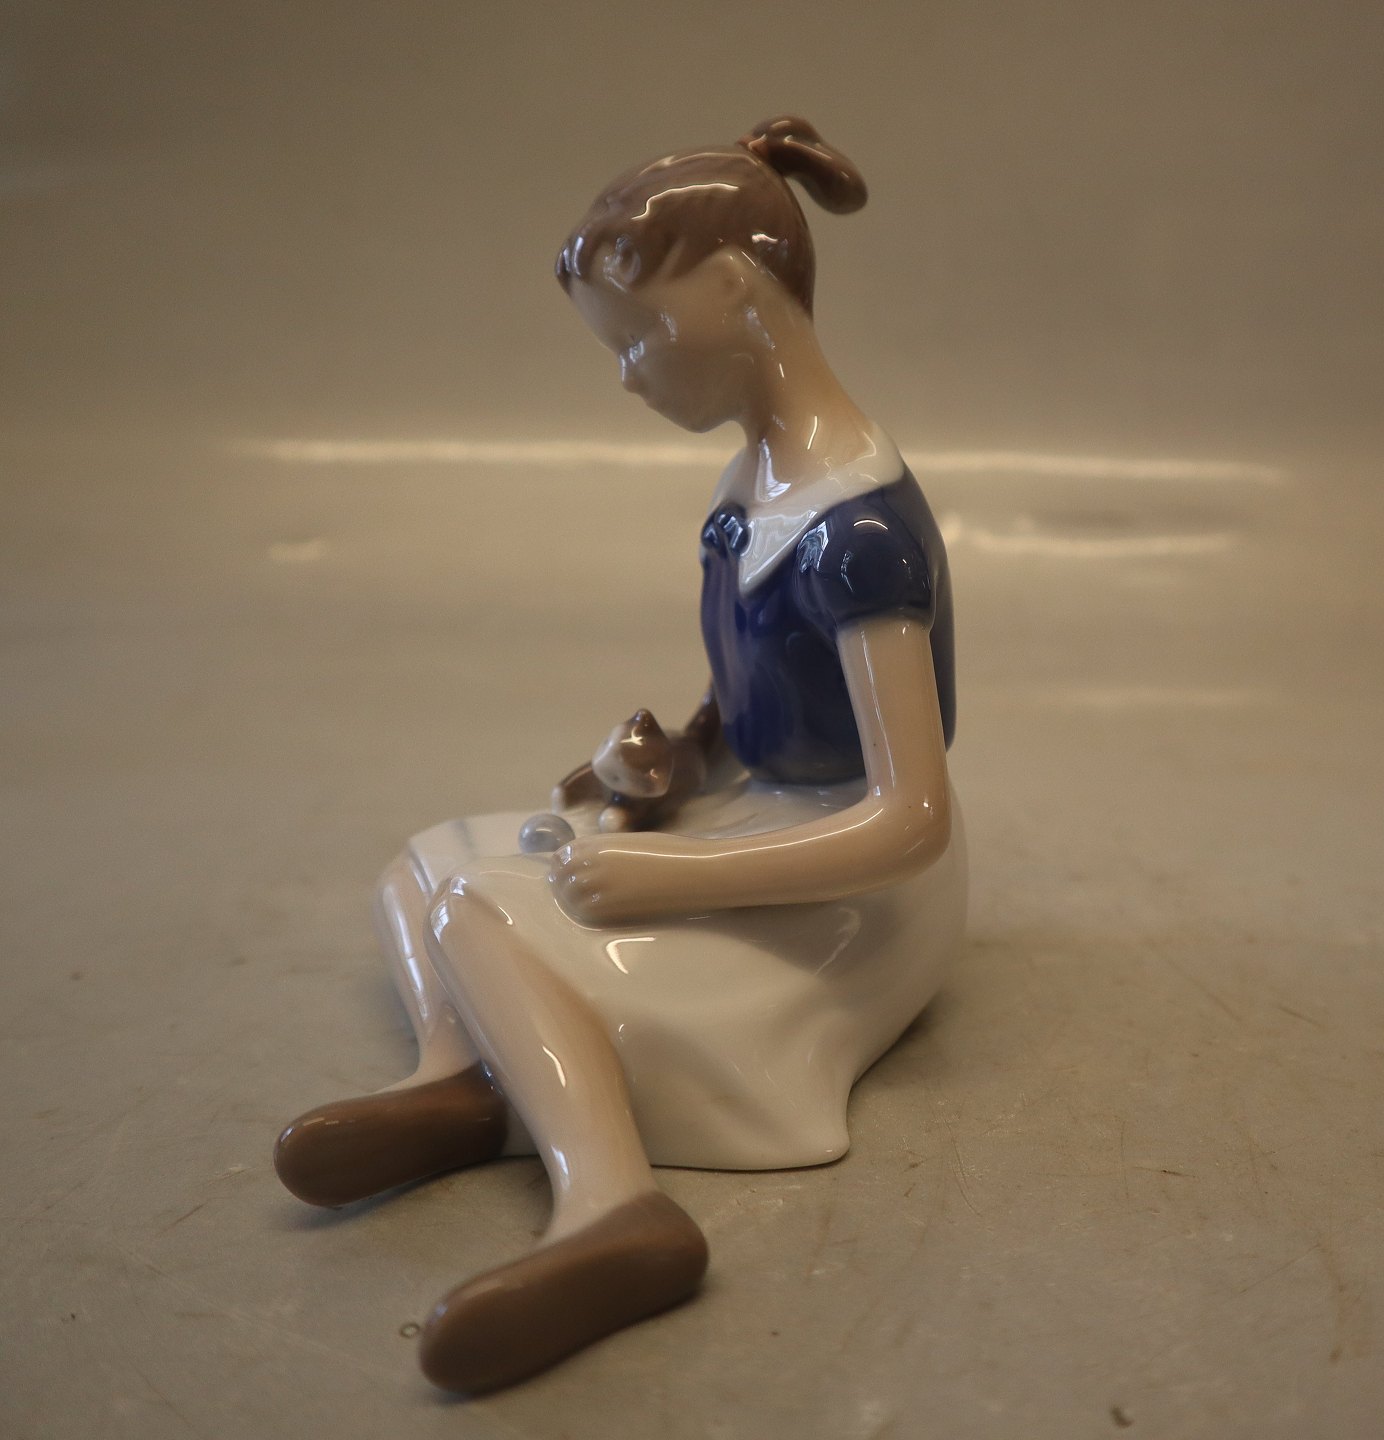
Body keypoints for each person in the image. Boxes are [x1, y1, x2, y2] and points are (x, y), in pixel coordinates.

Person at [273, 115, 967, 1396]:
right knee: (420, 867)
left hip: (850, 885)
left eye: (640, 338)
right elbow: (751, 706)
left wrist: (670, 875)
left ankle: (612, 1208)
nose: (630, 378)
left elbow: (910, 816)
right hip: (753, 823)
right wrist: (677, 763)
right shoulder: (750, 489)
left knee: (478, 913)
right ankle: (471, 1081)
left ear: (735, 289)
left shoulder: (856, 538)